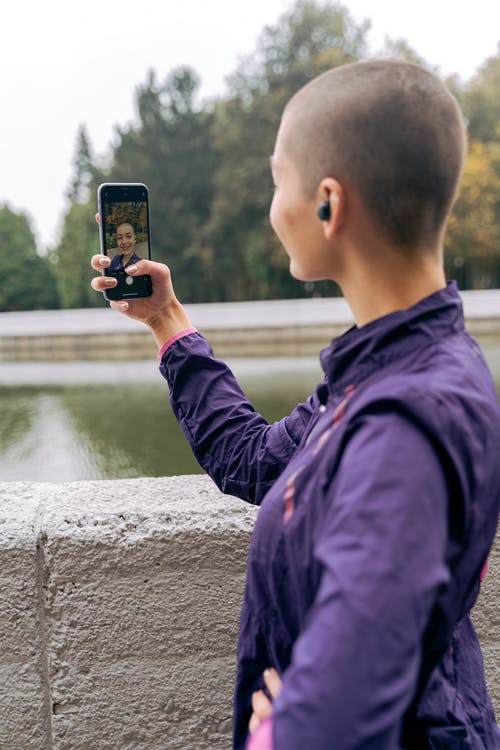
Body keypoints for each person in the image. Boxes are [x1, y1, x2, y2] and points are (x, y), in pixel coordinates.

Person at [91, 60, 500, 749]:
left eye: (279, 179)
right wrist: (168, 323)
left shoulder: (405, 420)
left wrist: (283, 732)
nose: (272, 206)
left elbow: (337, 714)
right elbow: (255, 462)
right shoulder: (394, 371)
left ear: (329, 204)